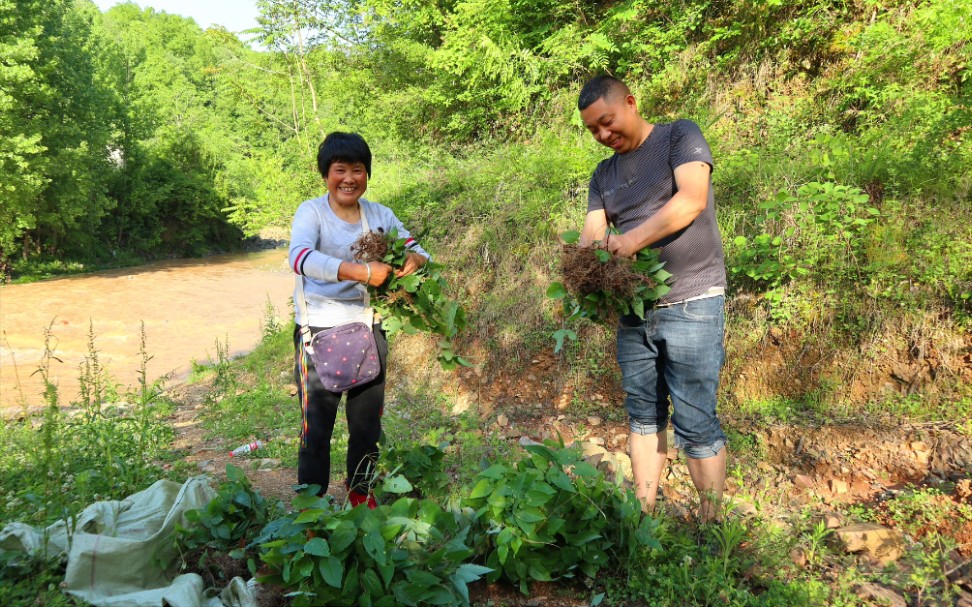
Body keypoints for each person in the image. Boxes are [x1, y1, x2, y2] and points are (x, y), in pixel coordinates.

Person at [576, 75, 728, 523]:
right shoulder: (603, 173)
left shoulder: (679, 136)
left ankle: (710, 525)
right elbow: (592, 232)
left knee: (696, 421)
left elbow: (692, 199)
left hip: (693, 300)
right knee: (643, 415)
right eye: (593, 131)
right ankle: (641, 520)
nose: (604, 135)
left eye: (607, 122)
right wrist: (581, 265)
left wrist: (632, 242)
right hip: (634, 311)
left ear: (630, 102)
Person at [288, 132, 429, 508]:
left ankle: (360, 497)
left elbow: (419, 251)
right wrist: (359, 271)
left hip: (370, 328)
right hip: (317, 331)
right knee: (316, 430)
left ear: (367, 175)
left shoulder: (381, 216)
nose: (349, 178)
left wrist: (414, 261)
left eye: (358, 170)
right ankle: (311, 510)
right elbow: (299, 258)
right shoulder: (311, 212)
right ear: (326, 175)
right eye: (340, 170)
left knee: (366, 427)